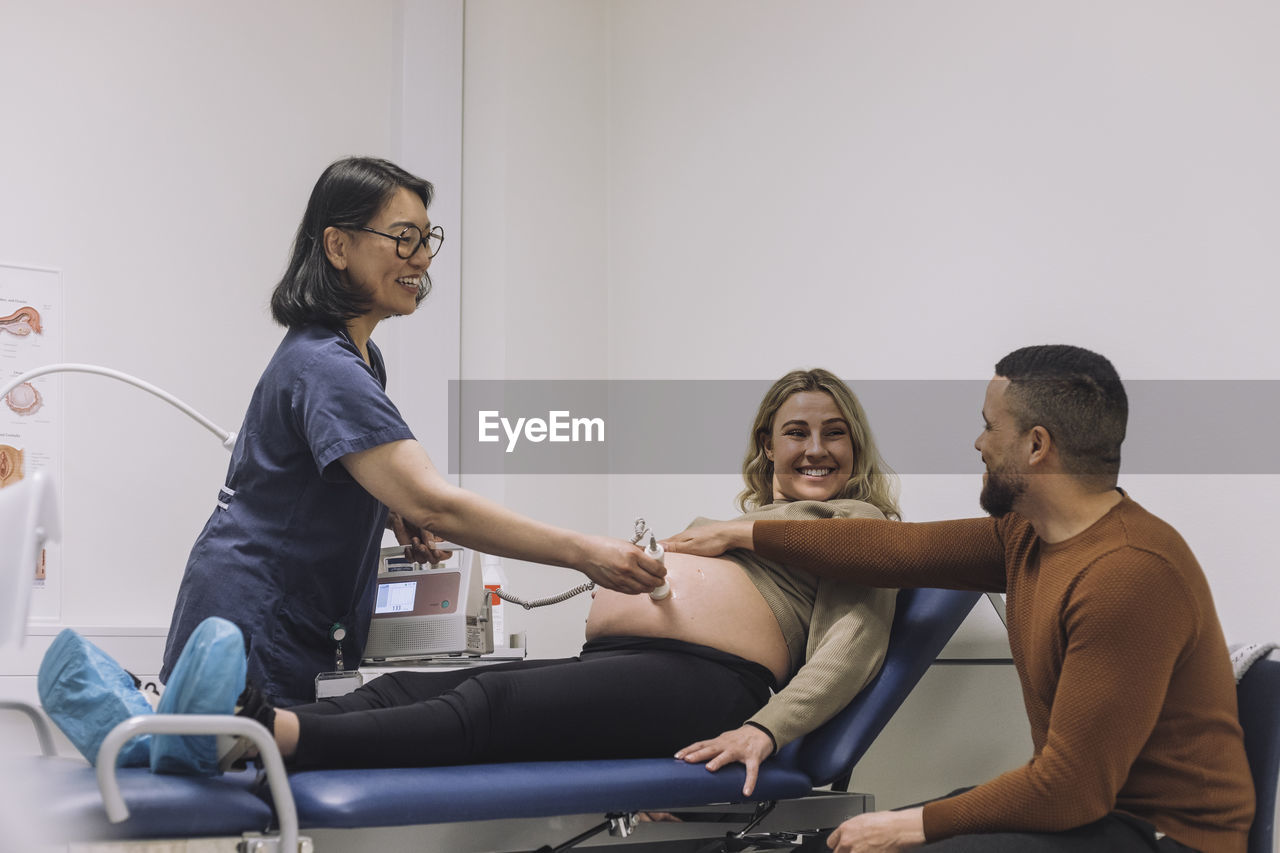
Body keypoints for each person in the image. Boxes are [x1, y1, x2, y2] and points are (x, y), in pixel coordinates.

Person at [162, 368, 899, 793]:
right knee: (407, 687)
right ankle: (207, 723)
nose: (815, 447)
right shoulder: (747, 519)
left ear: (855, 445)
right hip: (629, 675)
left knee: (492, 699)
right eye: (797, 431)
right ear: (767, 444)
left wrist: (763, 729)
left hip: (709, 684)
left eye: (834, 431)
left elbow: (855, 641)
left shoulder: (861, 524)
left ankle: (266, 734)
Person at [664, 346, 1254, 853]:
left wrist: (908, 825)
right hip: (1090, 815)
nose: (978, 443)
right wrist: (739, 531)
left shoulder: (1128, 573)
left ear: (1036, 445)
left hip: (1159, 835)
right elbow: (891, 550)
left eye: (990, 426)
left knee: (888, 840)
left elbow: (1072, 789)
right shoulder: (1027, 535)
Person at [162, 157, 665, 708]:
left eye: (427, 241)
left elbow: (351, 471)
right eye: (404, 239)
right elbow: (436, 505)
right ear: (337, 246)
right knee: (240, 776)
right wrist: (585, 552)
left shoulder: (358, 356)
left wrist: (384, 503)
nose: (421, 259)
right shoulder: (327, 367)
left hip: (278, 615)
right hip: (253, 620)